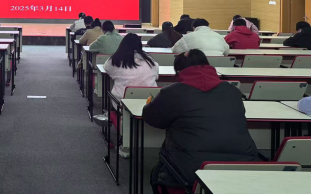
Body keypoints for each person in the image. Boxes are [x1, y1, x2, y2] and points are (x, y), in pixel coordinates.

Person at [143, 50, 258, 191]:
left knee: (156, 175)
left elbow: (153, 119)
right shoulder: (232, 91)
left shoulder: (172, 92)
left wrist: (151, 104)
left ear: (178, 72)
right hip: (244, 168)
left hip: (193, 172)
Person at [105, 34, 159, 102]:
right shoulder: (150, 60)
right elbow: (156, 75)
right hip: (149, 100)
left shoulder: (115, 60)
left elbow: (106, 68)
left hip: (123, 101)